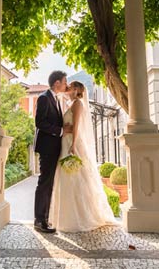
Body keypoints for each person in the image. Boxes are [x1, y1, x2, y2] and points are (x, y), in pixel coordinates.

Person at [49, 81, 117, 232]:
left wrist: (73, 145)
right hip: (65, 141)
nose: (68, 87)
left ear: (77, 89)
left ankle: (81, 216)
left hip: (72, 143)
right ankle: (65, 217)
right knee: (66, 178)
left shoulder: (78, 104)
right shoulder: (70, 102)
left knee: (76, 177)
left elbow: (77, 126)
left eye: (71, 86)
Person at [33, 70, 71, 233]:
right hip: (47, 147)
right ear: (57, 83)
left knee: (49, 183)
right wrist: (61, 131)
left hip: (54, 147)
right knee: (45, 182)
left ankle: (45, 218)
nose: (66, 85)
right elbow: (40, 122)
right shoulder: (43, 98)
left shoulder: (55, 99)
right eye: (64, 82)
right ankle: (40, 220)